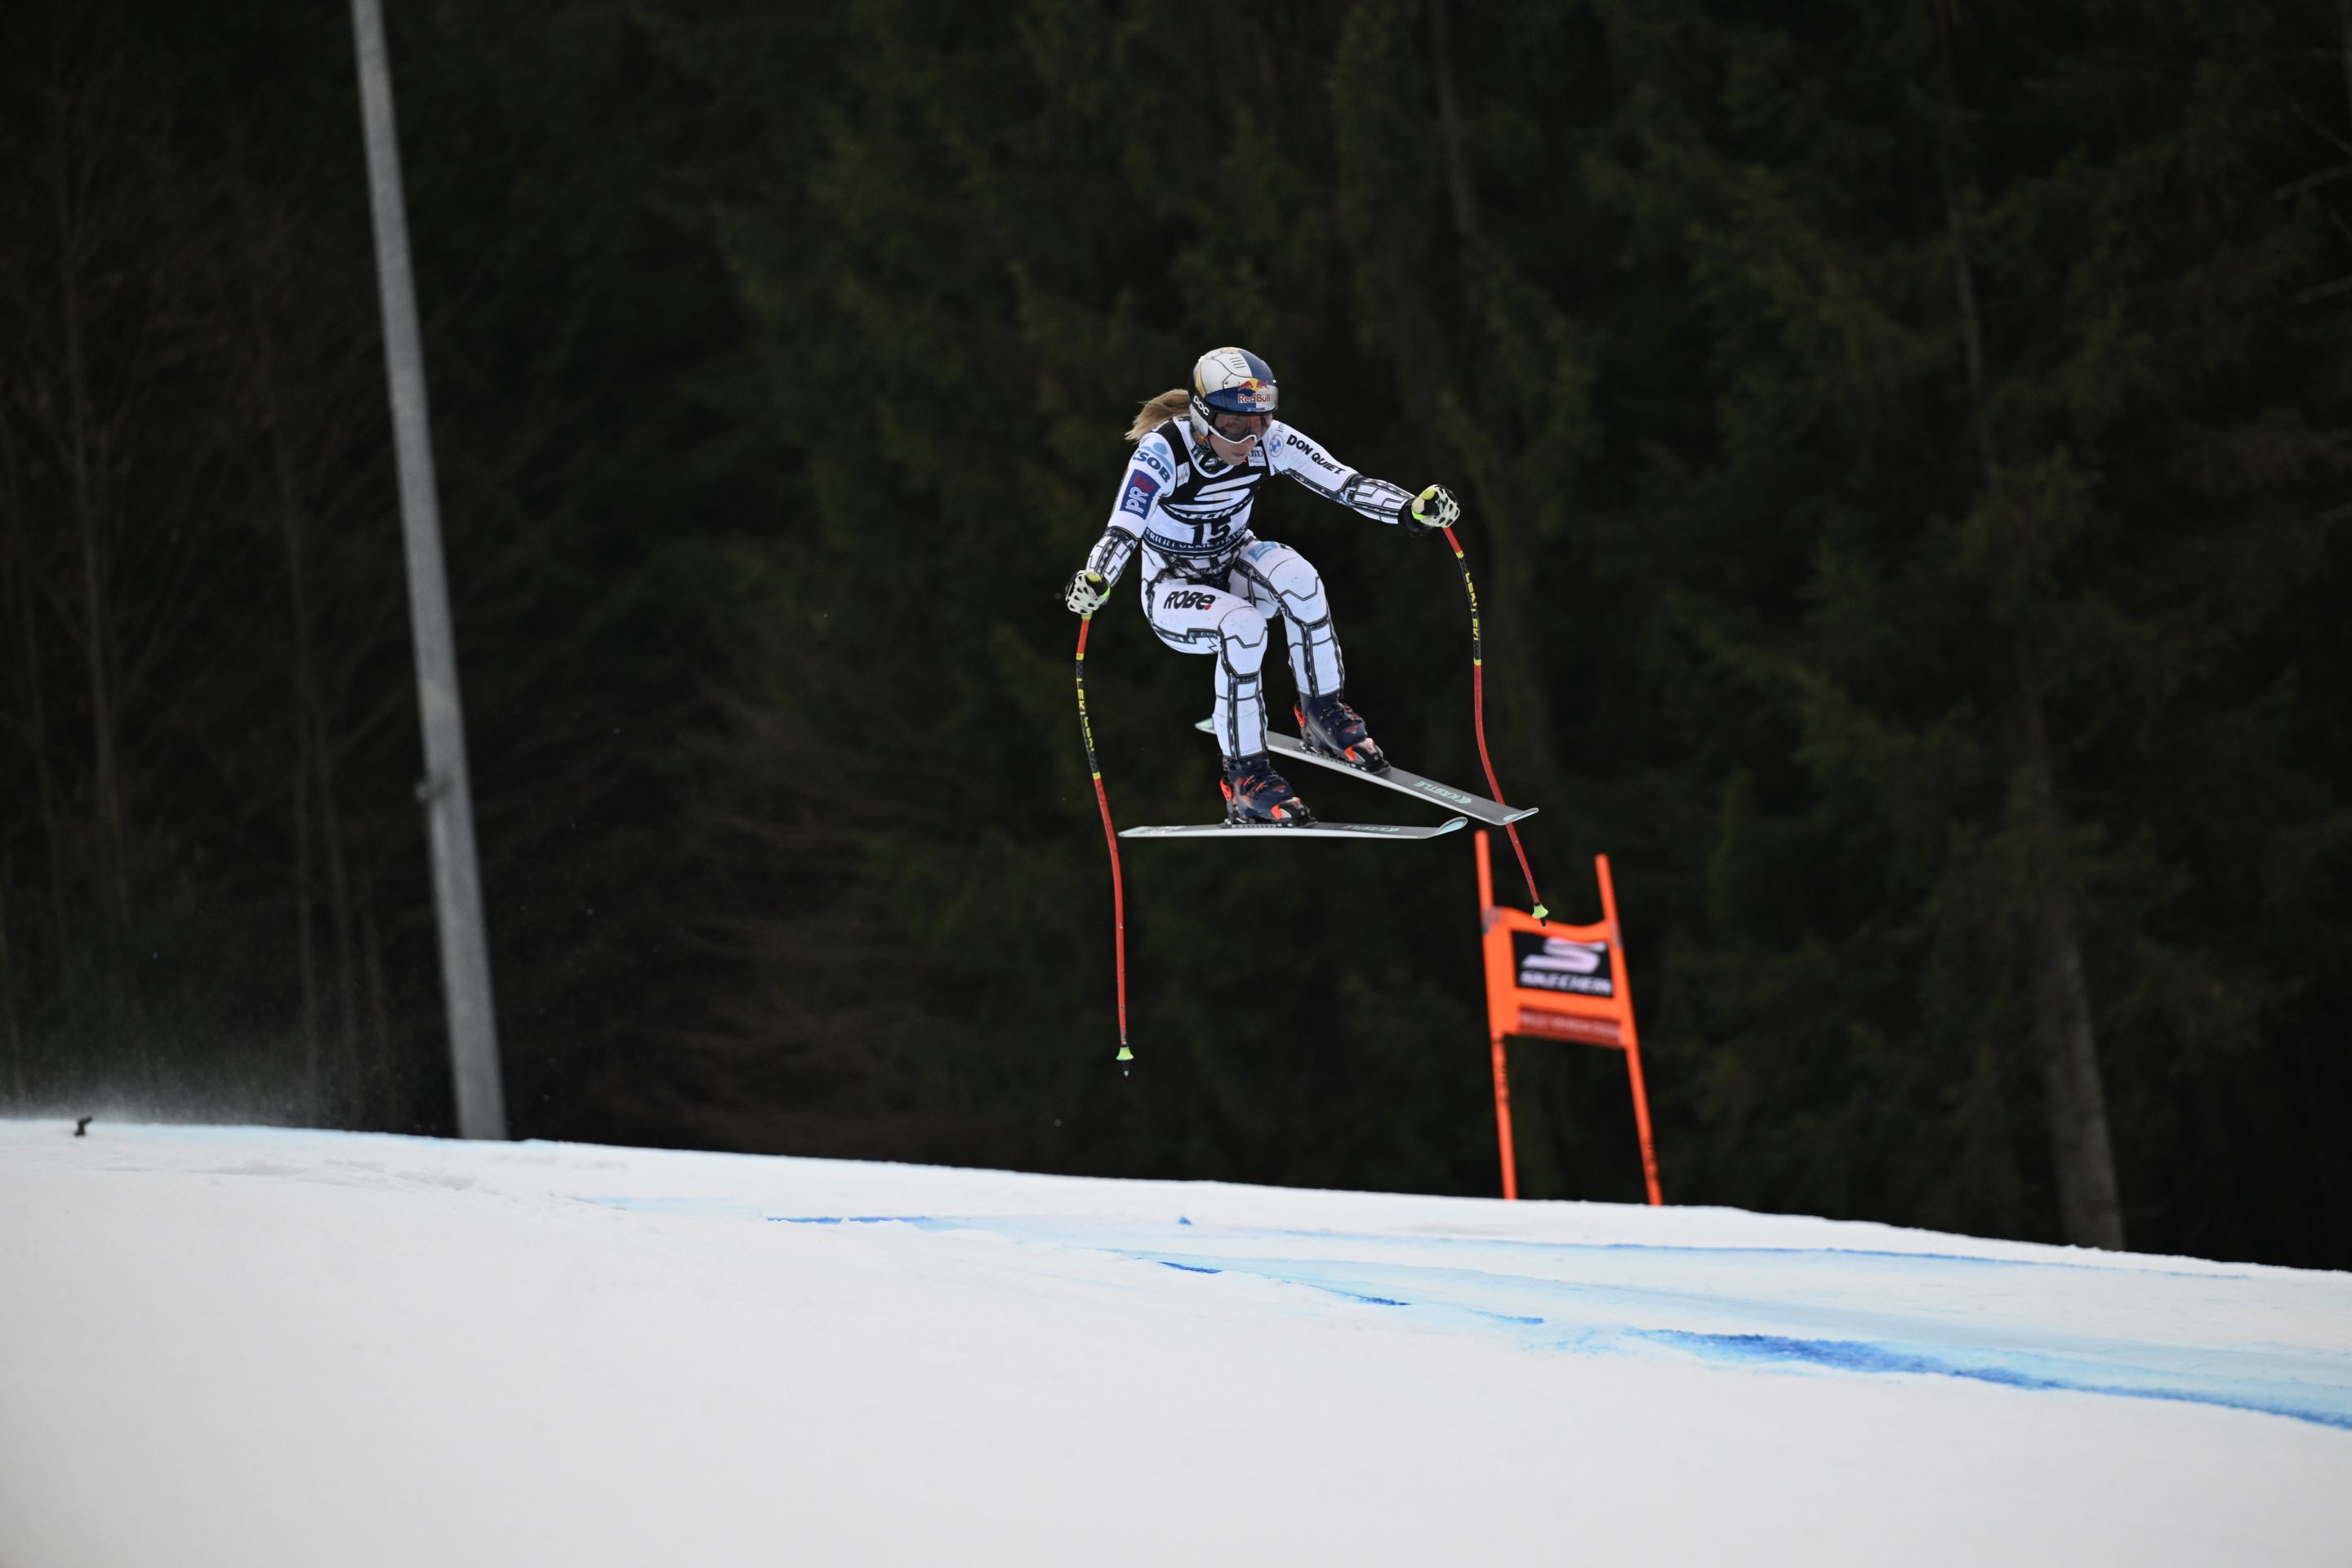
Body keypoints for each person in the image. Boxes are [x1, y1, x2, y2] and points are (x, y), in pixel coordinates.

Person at [1063, 346, 1459, 825]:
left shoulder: (1268, 441)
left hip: (1232, 561)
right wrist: (1096, 577)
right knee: (1245, 628)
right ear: (1204, 418)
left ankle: (1322, 712)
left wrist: (1410, 509)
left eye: (1262, 422)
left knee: (1301, 578)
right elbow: (1123, 527)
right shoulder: (1164, 452)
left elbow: (1345, 484)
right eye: (1235, 426)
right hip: (1172, 586)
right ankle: (1245, 779)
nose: (1250, 440)